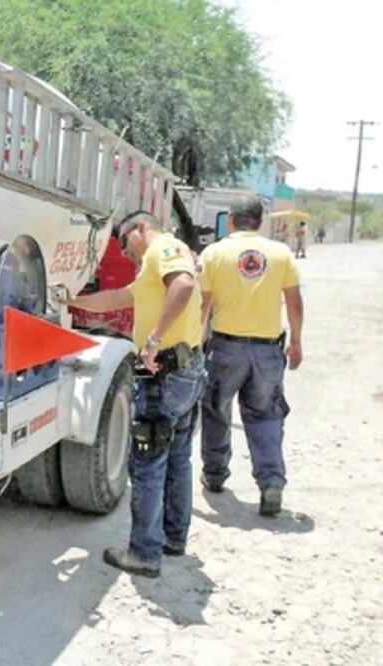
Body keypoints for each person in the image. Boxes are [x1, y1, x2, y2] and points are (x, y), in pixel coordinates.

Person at [67, 211, 205, 578]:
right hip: (184, 370)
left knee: (147, 462)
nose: (126, 254)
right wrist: (71, 301)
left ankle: (143, 553)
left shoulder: (163, 247)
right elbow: (117, 298)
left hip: (164, 374)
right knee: (177, 458)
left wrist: (154, 339)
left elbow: (183, 285)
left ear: (141, 228)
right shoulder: (152, 267)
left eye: (126, 244)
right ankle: (172, 538)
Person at [198, 195, 303, 516]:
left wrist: (195, 344)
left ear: (230, 220)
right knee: (266, 415)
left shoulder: (214, 253)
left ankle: (215, 475)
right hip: (267, 350)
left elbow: (203, 305)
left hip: (225, 349)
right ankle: (270, 483)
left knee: (216, 410)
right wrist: (296, 341)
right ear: (260, 221)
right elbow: (294, 301)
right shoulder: (281, 253)